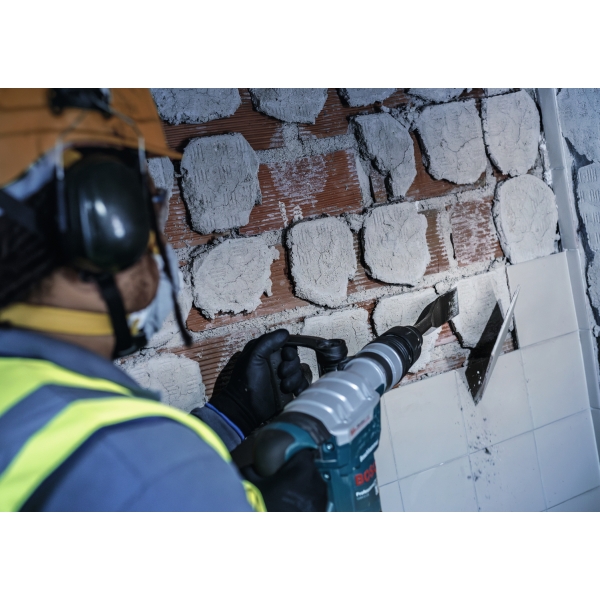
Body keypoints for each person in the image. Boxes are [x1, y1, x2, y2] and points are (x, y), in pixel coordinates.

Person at [0, 88, 327, 512]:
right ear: (109, 222)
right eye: (149, 199)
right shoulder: (146, 471)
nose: (159, 219)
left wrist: (233, 416)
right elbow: (145, 481)